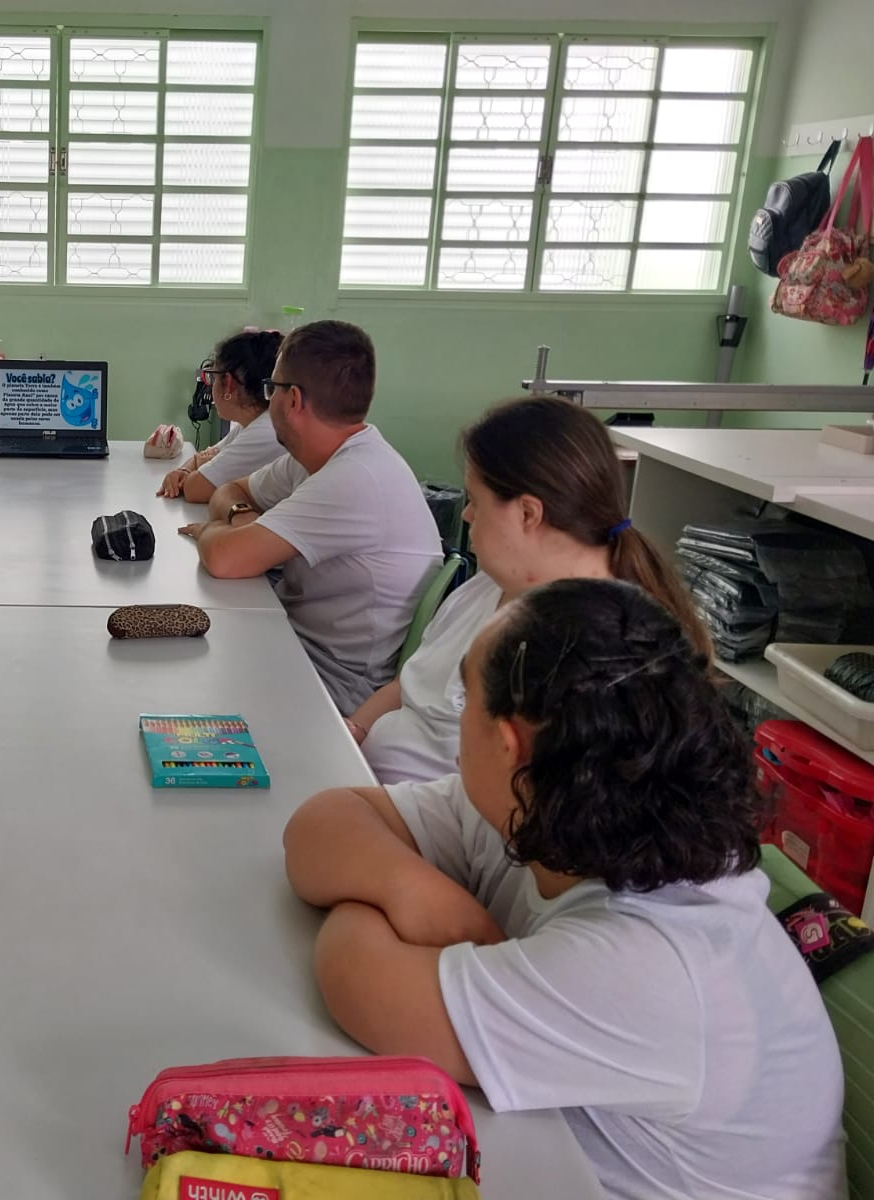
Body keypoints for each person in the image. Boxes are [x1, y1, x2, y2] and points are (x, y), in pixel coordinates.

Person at [283, 578, 844, 1200]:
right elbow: (323, 823)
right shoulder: (557, 800)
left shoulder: (649, 958)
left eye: (465, 698)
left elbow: (358, 986)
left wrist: (372, 889)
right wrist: (414, 890)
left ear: (508, 742)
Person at [349, 394, 710, 784]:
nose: (466, 515)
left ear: (527, 513)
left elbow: (507, 802)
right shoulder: (489, 584)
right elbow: (409, 685)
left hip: (430, 815)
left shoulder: (590, 655)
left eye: (475, 501)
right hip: (375, 782)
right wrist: (354, 731)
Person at [179, 320, 442, 712]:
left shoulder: (355, 478)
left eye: (272, 388)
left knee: (178, 675)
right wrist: (241, 520)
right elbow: (228, 492)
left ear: (293, 400)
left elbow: (223, 558)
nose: (268, 400)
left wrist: (215, 532)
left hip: (332, 683)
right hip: (292, 637)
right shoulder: (316, 457)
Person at [158, 329, 284, 503]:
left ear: (229, 384)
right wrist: (185, 470)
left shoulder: (265, 431)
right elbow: (203, 456)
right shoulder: (250, 423)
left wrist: (200, 465)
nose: (211, 385)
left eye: (213, 377)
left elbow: (195, 489)